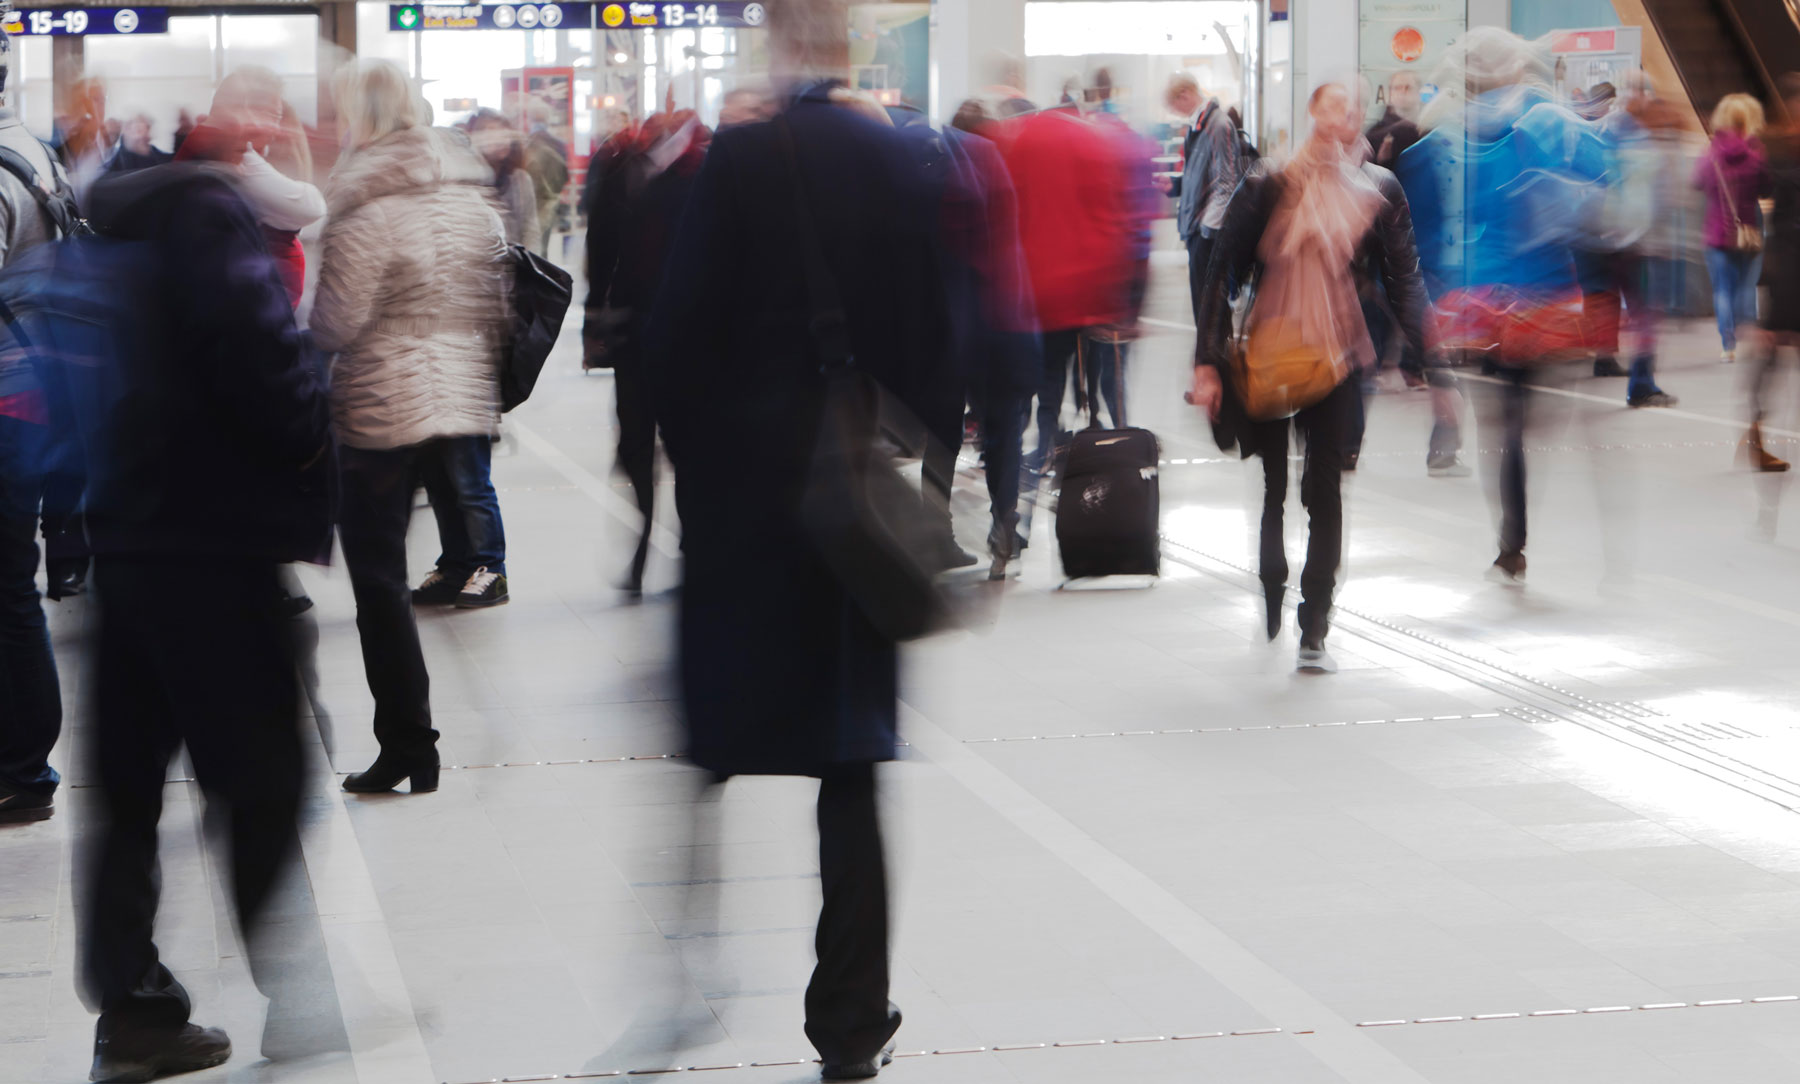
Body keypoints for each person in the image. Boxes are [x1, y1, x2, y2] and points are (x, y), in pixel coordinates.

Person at [646, 0, 949, 1072]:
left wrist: (688, 463)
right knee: (850, 759)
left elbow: (675, 334)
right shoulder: (898, 159)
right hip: (852, 506)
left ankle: (684, 973)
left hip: (744, 502)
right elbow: (935, 335)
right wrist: (914, 468)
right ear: (851, 50)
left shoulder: (739, 158)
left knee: (713, 744)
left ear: (777, 46)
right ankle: (852, 1021)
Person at [61, 136, 333, 1081]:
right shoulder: (208, 214)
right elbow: (262, 359)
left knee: (126, 792)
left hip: (123, 532)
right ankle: (302, 1003)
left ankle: (131, 1012)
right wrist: (310, 440)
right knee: (261, 772)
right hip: (213, 539)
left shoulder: (106, 211)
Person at [312, 59, 509, 794]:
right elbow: (495, 298)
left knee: (379, 584)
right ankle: (411, 747)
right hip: (457, 397)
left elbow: (336, 322)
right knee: (443, 533)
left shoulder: (365, 204)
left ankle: (407, 746)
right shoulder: (466, 194)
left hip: (381, 408)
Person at [1193, 81, 1431, 673]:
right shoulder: (1267, 184)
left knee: (1323, 491)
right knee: (1275, 486)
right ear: (1312, 114)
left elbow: (1404, 276)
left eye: (1350, 110)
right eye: (1330, 107)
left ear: (1358, 122)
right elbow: (1222, 272)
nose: (1340, 119)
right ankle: (1273, 585)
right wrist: (1206, 362)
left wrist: (1434, 360)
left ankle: (1315, 623)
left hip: (1339, 358)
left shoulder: (1376, 190)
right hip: (1272, 353)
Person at [1400, 27, 1610, 582]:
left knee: (1506, 428)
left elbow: (1430, 233)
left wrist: (1436, 298)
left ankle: (1510, 541)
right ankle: (1512, 532)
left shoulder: (1446, 143)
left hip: (1484, 310)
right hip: (1544, 306)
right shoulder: (1543, 129)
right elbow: (1598, 188)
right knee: (1521, 423)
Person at [586, 109, 709, 595]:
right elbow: (602, 249)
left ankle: (687, 548)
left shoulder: (705, 170)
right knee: (636, 446)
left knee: (683, 448)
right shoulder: (619, 166)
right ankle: (644, 547)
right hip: (637, 332)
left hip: (685, 338)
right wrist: (595, 326)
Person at [0, 27, 75, 824]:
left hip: (5, 402)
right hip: (30, 391)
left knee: (8, 592)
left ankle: (23, 768)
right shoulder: (30, 145)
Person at [993, 90, 1133, 475]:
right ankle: (1108, 440)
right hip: (1088, 290)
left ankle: (1046, 443)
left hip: (1040, 290)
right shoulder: (1091, 141)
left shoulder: (1025, 141)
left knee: (1048, 375)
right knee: (1094, 371)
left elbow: (1010, 215)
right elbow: (1110, 217)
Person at [176, 68, 325, 309]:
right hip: (243, 311)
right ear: (243, 108)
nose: (277, 129)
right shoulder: (232, 154)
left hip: (243, 306)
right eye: (272, 116)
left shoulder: (216, 146)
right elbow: (311, 207)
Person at [1158, 72, 1241, 327]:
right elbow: (1202, 177)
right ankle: (1209, 361)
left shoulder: (1217, 125)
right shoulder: (1199, 126)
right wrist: (1175, 186)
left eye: (1175, 107)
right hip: (1199, 229)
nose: (1177, 113)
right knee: (1205, 309)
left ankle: (1216, 363)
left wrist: (1207, 232)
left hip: (1207, 234)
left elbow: (1227, 182)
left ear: (1184, 96)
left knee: (1211, 311)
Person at [1748, 73, 1800, 472]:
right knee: (1773, 347)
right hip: (1786, 257)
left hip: (1787, 254)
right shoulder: (1775, 149)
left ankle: (1756, 433)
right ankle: (1756, 433)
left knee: (1781, 348)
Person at [1696, 93, 1770, 364]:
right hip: (1749, 229)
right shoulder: (1756, 153)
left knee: (1722, 289)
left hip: (1716, 231)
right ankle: (1745, 331)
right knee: (1745, 285)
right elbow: (1766, 187)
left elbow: (1696, 181)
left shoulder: (1711, 153)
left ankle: (1728, 345)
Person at [467, 107, 540, 246]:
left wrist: (527, 261)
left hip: (514, 261)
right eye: (483, 130)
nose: (494, 138)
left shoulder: (520, 179)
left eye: (500, 132)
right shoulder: (466, 181)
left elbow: (530, 229)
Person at [523, 97, 569, 256]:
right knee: (543, 245)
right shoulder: (559, 144)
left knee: (529, 246)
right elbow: (564, 175)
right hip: (549, 201)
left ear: (529, 118)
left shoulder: (525, 144)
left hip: (528, 202)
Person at [1368, 70, 1424, 170]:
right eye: (1397, 88)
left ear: (1419, 92)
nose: (1403, 92)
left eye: (1408, 87)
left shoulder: (1429, 127)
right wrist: (1382, 161)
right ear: (1390, 93)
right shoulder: (1376, 135)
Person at [102, 113, 171, 174]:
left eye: (141, 122)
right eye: (131, 123)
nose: (137, 126)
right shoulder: (114, 166)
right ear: (125, 130)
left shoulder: (164, 160)